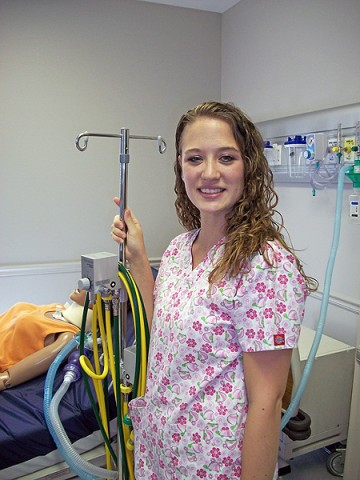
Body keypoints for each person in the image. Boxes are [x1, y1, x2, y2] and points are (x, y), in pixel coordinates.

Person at [111, 101, 317, 479]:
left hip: (212, 465)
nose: (209, 173)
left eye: (225, 157)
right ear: (180, 168)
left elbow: (266, 404)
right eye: (194, 159)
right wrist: (139, 258)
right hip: (159, 453)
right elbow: (163, 336)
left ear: (248, 166)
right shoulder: (177, 249)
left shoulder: (265, 265)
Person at [0, 289, 93, 391]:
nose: (82, 285)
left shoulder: (68, 337)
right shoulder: (56, 308)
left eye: (91, 286)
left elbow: (6, 379)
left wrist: (3, 380)